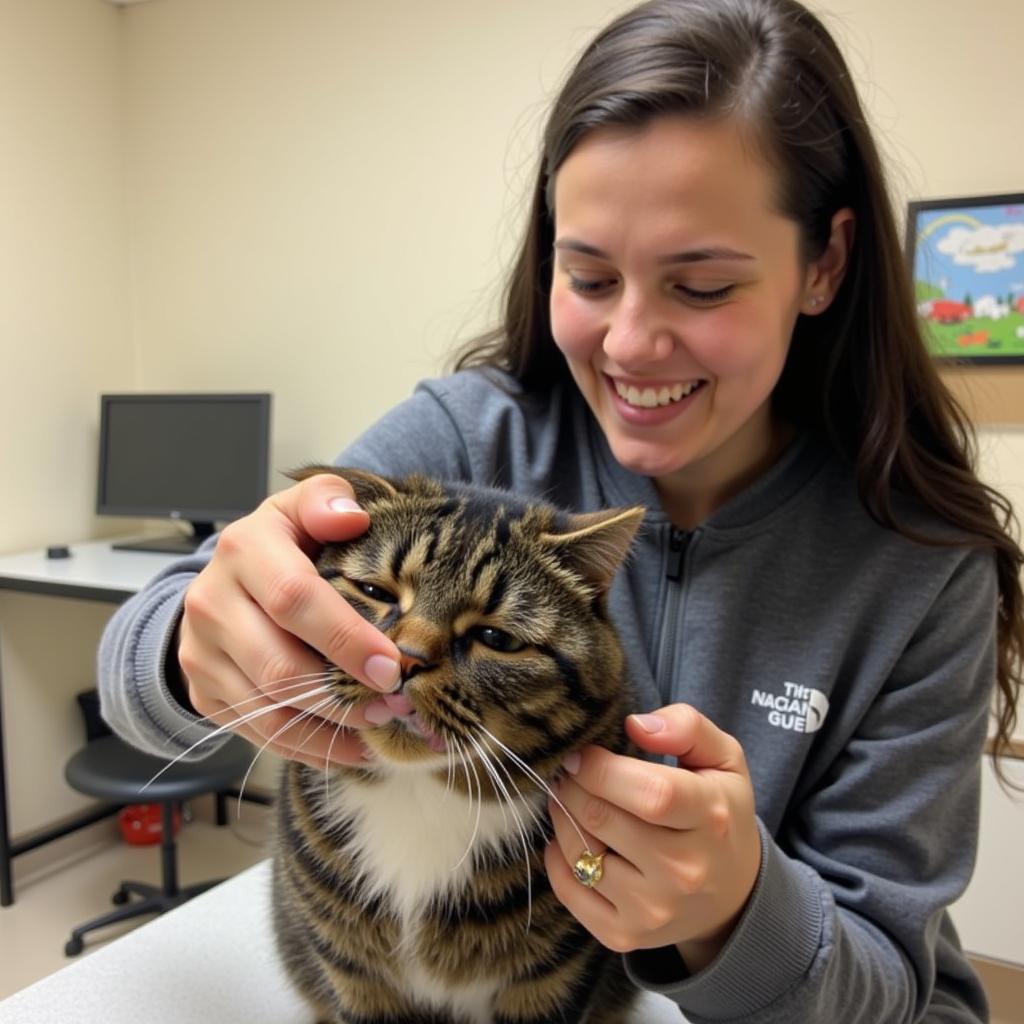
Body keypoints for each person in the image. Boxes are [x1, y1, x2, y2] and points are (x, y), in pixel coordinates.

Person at [99, 0, 1023, 1021]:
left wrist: (735, 910)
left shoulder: (920, 567)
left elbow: (897, 991)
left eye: (702, 286)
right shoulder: (459, 439)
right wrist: (192, 643)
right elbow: (147, 651)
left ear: (825, 263)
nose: (629, 343)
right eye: (588, 275)